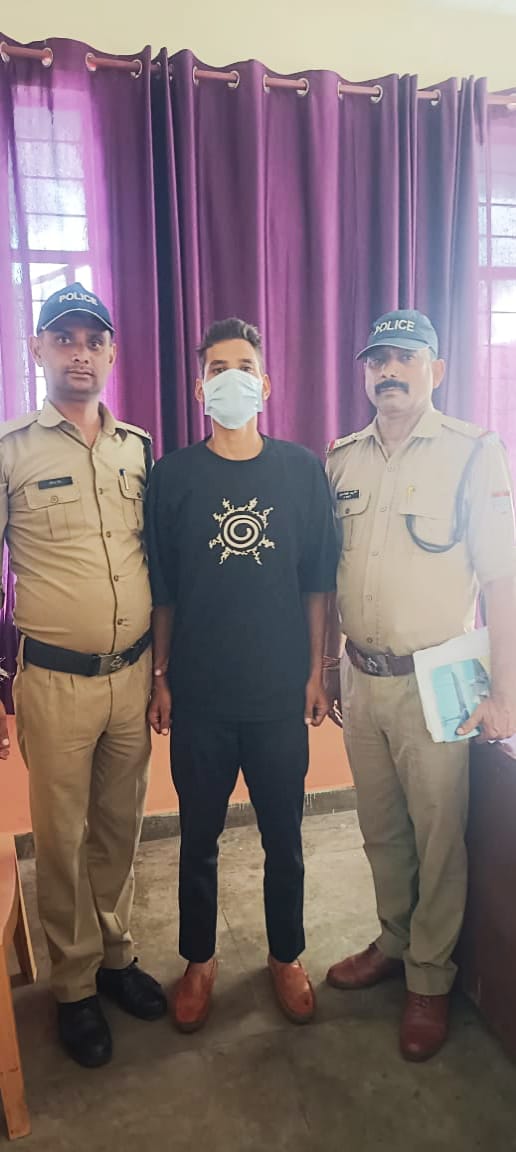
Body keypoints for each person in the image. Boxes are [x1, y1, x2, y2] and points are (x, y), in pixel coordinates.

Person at [325, 309, 516, 1061]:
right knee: (380, 828)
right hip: (361, 676)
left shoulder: (474, 452)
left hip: (440, 677)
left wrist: (505, 691)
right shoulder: (343, 459)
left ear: (435, 369)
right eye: (378, 360)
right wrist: (325, 669)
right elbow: (326, 578)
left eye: (406, 358)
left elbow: (501, 580)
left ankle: (430, 979)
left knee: (439, 835)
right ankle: (395, 940)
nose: (390, 371)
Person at [146, 317, 337, 1032]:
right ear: (200, 389)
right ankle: (199, 961)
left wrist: (317, 670)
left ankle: (286, 954)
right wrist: (161, 676)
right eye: (217, 368)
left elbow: (317, 582)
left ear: (266, 383)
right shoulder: (172, 476)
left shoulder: (300, 470)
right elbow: (163, 590)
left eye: (244, 366)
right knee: (197, 840)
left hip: (278, 693)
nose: (232, 378)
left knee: (284, 838)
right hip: (199, 696)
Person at [0, 283, 166, 1068]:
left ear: (111, 355)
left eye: (93, 340)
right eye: (63, 338)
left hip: (131, 676)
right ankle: (72, 987)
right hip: (55, 682)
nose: (79, 353)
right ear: (37, 349)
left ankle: (115, 955)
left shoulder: (138, 448)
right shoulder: (11, 451)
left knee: (119, 826)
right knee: (62, 838)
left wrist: (163, 670)